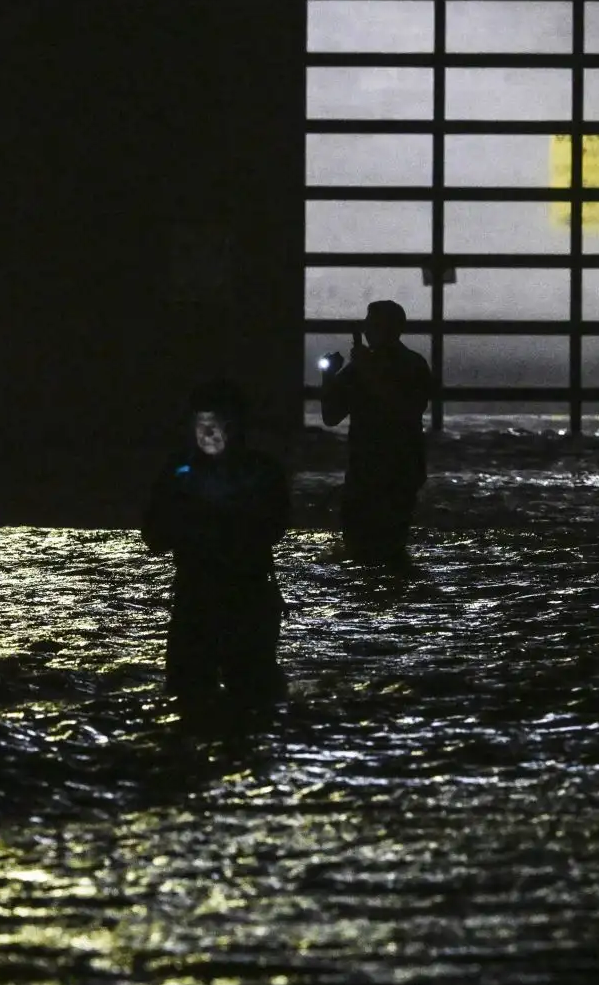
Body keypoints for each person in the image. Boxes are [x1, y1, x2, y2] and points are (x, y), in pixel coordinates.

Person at [143, 379, 289, 701]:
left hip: (246, 597)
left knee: (253, 696)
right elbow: (153, 536)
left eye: (219, 424)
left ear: (237, 427)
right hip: (196, 599)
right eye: (201, 424)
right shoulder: (177, 474)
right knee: (188, 695)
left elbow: (275, 527)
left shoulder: (262, 473)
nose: (209, 434)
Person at [319, 299, 435, 564]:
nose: (367, 330)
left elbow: (404, 408)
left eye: (372, 324)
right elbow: (331, 416)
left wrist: (366, 370)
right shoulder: (363, 368)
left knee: (382, 544)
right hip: (369, 467)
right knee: (368, 544)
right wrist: (329, 378)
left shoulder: (410, 365)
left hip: (396, 467)